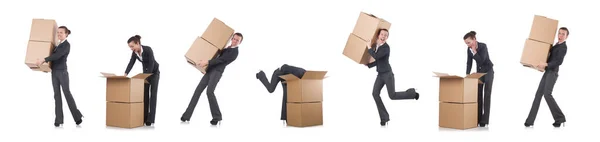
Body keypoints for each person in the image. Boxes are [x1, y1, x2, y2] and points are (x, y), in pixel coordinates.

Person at [181, 33, 243, 125]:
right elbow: (214, 55)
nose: (234, 41)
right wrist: (204, 68)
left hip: (217, 72)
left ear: (240, 42)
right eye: (234, 39)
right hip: (210, 70)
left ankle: (217, 117)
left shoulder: (235, 52)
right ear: (232, 38)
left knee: (209, 92)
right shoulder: (226, 48)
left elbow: (220, 60)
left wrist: (207, 62)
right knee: (197, 91)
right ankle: (186, 116)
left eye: (237, 40)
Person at [365, 28, 420, 126]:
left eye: (386, 35)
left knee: (392, 96)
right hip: (380, 75)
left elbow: (377, 57)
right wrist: (368, 65)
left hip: (387, 74)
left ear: (387, 38)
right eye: (382, 34)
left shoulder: (386, 48)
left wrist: (369, 47)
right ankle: (384, 118)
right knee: (375, 94)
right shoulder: (377, 46)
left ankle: (412, 94)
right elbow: (378, 61)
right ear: (378, 36)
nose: (383, 36)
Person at [36, 26, 84, 127]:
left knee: (67, 94)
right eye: (58, 32)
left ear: (66, 34)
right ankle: (58, 120)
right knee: (57, 96)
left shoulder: (67, 45)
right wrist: (46, 68)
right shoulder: (57, 45)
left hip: (62, 72)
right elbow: (53, 59)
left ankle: (77, 117)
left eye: (61, 32)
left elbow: (57, 56)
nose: (59, 34)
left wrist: (44, 60)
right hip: (54, 73)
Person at [524, 27, 569, 128]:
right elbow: (547, 55)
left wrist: (546, 64)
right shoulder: (556, 45)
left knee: (547, 94)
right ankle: (530, 121)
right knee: (538, 94)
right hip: (548, 72)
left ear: (567, 36)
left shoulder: (563, 47)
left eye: (563, 34)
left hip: (552, 72)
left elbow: (559, 62)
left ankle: (560, 118)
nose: (560, 36)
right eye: (560, 33)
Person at [124, 35, 161, 126]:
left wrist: (147, 76)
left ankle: (150, 119)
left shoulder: (148, 49)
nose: (131, 49)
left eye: (132, 46)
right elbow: (131, 63)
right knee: (144, 96)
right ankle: (144, 117)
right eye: (130, 47)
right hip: (145, 74)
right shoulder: (135, 53)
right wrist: (125, 74)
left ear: (138, 43)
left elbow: (152, 63)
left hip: (154, 73)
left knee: (153, 95)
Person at [463, 31, 495, 127]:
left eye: (469, 42)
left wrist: (475, 52)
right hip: (479, 73)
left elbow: (482, 61)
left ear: (474, 39)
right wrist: (467, 74)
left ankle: (484, 121)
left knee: (487, 95)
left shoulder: (483, 46)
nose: (468, 45)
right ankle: (478, 118)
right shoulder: (469, 50)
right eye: (466, 43)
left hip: (488, 71)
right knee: (478, 95)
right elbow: (469, 63)